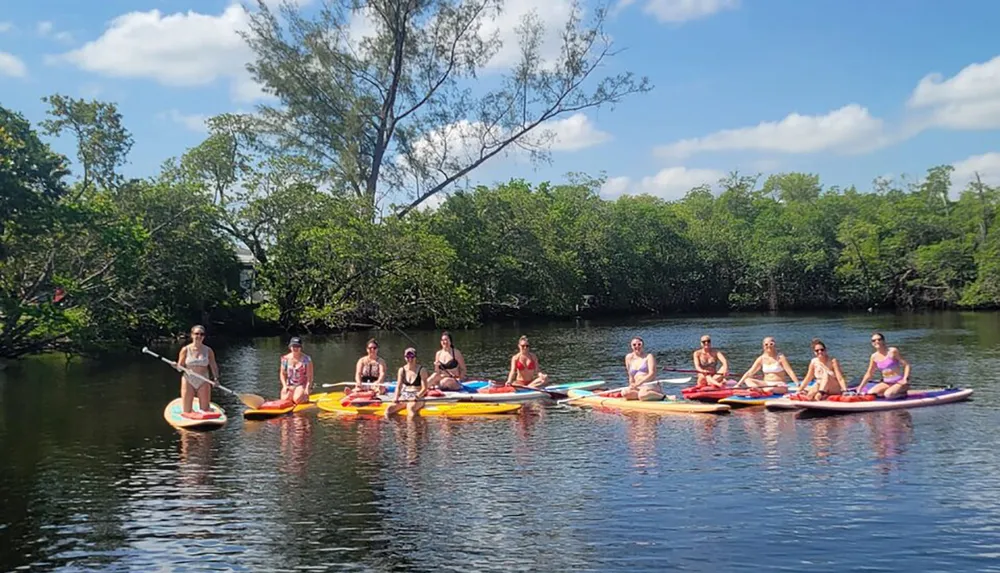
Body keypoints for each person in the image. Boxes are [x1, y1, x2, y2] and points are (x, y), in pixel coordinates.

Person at [175, 325, 220, 416]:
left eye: (201, 334)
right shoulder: (185, 350)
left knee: (205, 410)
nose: (199, 336)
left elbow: (213, 366)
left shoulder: (208, 350)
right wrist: (175, 365)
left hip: (204, 380)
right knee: (187, 411)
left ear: (204, 336)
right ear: (192, 335)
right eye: (196, 334)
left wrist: (215, 378)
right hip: (188, 380)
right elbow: (180, 368)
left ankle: (206, 415)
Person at [859, 332, 911, 398]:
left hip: (899, 382)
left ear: (883, 341)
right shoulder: (874, 356)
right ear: (872, 343)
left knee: (888, 395)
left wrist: (905, 379)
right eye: (874, 340)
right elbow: (869, 373)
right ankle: (891, 391)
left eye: (879, 339)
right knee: (871, 393)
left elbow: (907, 365)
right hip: (886, 383)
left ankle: (903, 392)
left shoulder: (892, 351)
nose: (876, 341)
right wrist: (860, 388)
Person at [384, 347, 429, 418]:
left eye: (412, 356)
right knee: (388, 410)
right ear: (405, 357)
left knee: (410, 408)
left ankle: (411, 428)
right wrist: (396, 397)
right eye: (407, 357)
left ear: (415, 357)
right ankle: (398, 427)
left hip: (418, 396)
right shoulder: (401, 370)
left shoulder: (422, 370)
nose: (410, 359)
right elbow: (398, 387)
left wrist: (416, 396)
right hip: (405, 395)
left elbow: (424, 388)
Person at [622, 337, 664, 401]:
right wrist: (632, 385)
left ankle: (663, 396)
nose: (637, 346)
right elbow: (630, 376)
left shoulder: (649, 356)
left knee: (642, 395)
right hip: (638, 387)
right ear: (631, 346)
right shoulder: (628, 358)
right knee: (624, 393)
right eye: (634, 345)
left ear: (643, 345)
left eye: (639, 344)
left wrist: (639, 383)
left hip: (649, 384)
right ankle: (644, 395)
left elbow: (652, 374)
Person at [279, 337, 313, 404]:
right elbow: (282, 373)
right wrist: (284, 386)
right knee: (285, 399)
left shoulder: (306, 359)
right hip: (290, 384)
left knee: (297, 399)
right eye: (293, 346)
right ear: (290, 347)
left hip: (301, 384)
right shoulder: (285, 359)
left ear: (301, 347)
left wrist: (307, 388)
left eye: (297, 346)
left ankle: (304, 396)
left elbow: (310, 376)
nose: (295, 348)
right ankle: (293, 394)